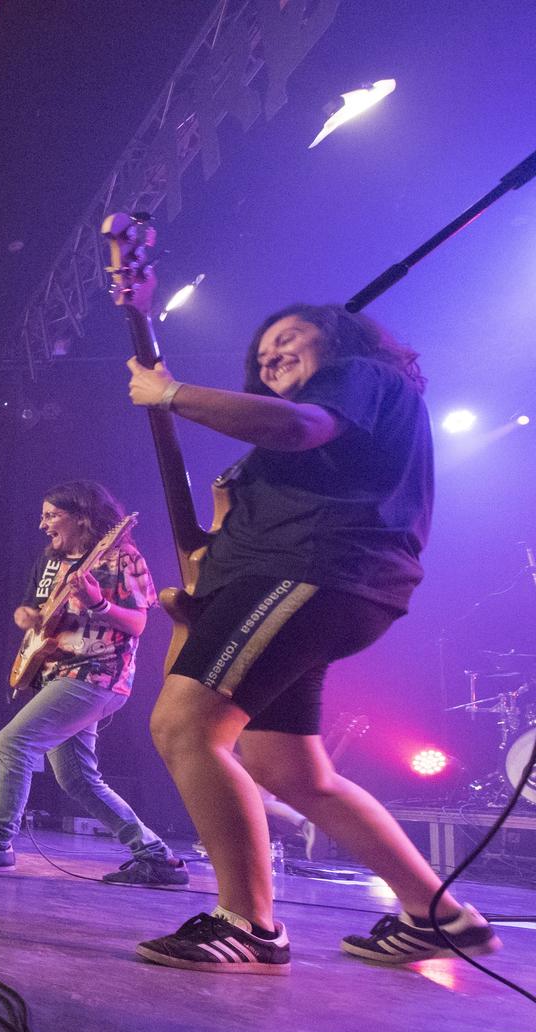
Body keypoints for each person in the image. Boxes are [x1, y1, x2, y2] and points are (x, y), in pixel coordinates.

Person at [124, 303, 497, 973]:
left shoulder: (362, 376)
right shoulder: (273, 461)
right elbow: (223, 532)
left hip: (312, 572)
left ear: (337, 337)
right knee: (289, 770)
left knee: (185, 726)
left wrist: (173, 394)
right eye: (261, 352)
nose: (270, 355)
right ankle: (440, 916)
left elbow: (301, 424)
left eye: (288, 337)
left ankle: (250, 923)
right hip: (285, 586)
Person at [0, 481, 188, 885]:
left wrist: (98, 605)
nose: (42, 524)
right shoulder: (52, 560)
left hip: (97, 672)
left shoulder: (121, 557)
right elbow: (33, 609)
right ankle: (156, 857)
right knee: (77, 779)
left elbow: (139, 622)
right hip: (57, 673)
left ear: (83, 517)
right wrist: (29, 621)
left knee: (13, 741)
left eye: (51, 515)